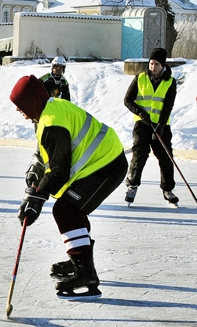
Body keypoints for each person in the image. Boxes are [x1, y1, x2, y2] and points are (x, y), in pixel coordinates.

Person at [10, 74, 127, 299]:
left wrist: (37, 198)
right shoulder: (49, 110)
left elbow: (59, 170)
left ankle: (85, 272)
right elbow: (51, 152)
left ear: (32, 101)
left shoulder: (52, 121)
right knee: (73, 208)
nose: (18, 110)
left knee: (66, 209)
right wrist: (37, 165)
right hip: (102, 161)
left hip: (106, 165)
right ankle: (81, 261)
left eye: (20, 104)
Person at [123, 47, 178, 206]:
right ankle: (132, 185)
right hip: (142, 124)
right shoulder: (140, 78)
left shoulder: (170, 82)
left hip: (161, 125)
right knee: (140, 154)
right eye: (151, 63)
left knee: (166, 157)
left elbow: (168, 106)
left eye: (156, 64)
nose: (153, 67)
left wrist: (160, 125)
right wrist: (141, 114)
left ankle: (167, 189)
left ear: (163, 66)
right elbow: (127, 100)